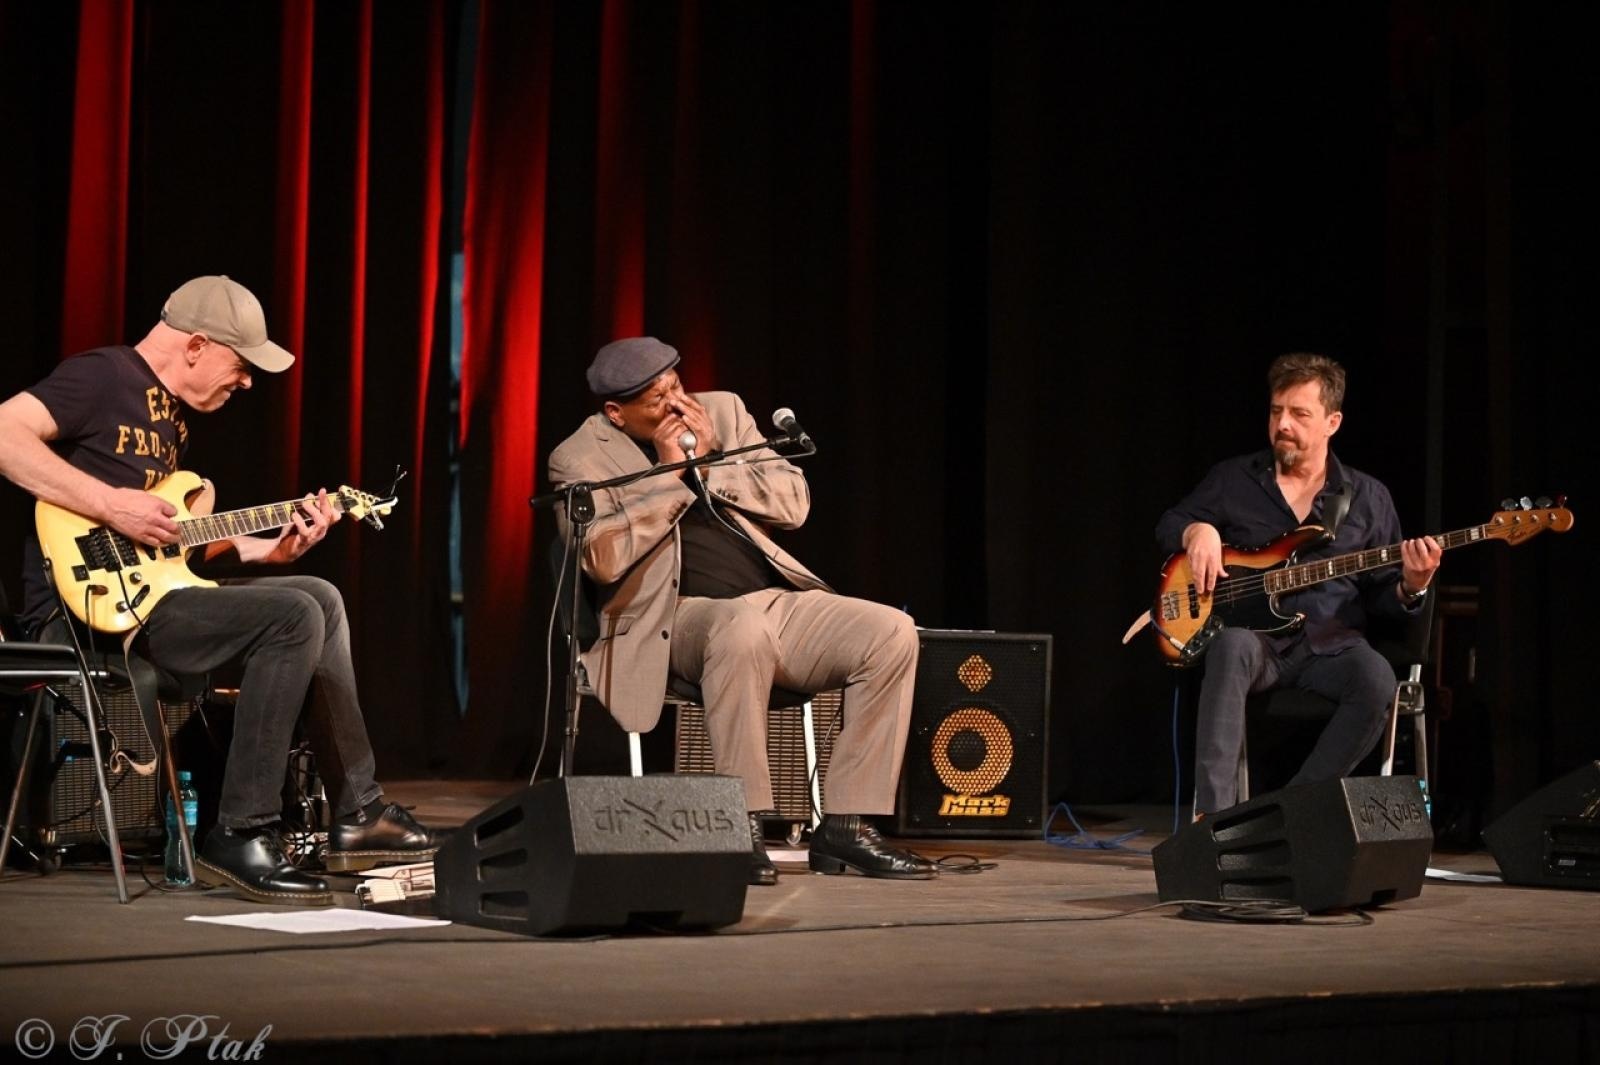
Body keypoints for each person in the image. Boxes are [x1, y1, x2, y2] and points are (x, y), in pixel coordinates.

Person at [0, 275, 437, 905]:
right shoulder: (101, 377)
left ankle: (356, 812)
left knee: (318, 593)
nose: (249, 381)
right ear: (198, 345)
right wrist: (108, 505)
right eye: (241, 365)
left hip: (150, 597)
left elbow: (176, 550)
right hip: (79, 613)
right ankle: (239, 832)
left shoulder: (172, 419)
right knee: (291, 615)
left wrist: (275, 549)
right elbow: (8, 432)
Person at [547, 336, 936, 885]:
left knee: (891, 631)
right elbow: (602, 561)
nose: (677, 405)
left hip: (770, 602)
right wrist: (669, 472)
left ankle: (847, 827)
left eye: (677, 386)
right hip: (668, 619)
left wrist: (710, 465)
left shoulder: (723, 413)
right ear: (616, 412)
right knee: (738, 624)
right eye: (656, 399)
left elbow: (793, 504)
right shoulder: (577, 457)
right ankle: (740, 824)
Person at [1155, 352, 1442, 817]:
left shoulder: (1369, 498)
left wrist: (1413, 584)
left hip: (1331, 644)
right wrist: (1196, 531)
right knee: (1228, 648)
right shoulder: (1233, 479)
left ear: (1332, 421)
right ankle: (1211, 822)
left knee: (1376, 680)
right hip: (1258, 644)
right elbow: (1171, 522)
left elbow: (1384, 596)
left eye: (1299, 414)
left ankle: (1285, 814)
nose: (1283, 424)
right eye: (1276, 412)